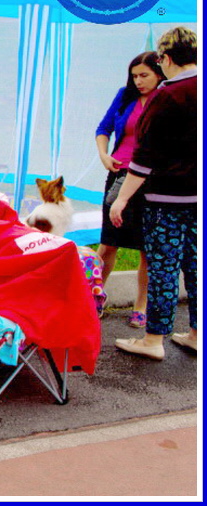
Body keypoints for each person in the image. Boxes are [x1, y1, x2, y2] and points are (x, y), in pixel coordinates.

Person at [111, 27, 197, 360]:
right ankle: (196, 333)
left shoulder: (167, 96)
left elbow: (144, 157)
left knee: (163, 269)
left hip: (165, 200)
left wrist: (121, 199)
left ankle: (153, 339)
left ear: (166, 59)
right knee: (196, 266)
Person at [94, 51, 166, 327]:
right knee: (108, 242)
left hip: (151, 179)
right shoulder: (125, 96)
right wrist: (104, 155)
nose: (138, 81)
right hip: (119, 175)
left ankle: (141, 305)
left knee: (147, 246)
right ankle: (94, 296)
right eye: (134, 76)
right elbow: (103, 128)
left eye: (144, 75)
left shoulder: (166, 98)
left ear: (159, 74)